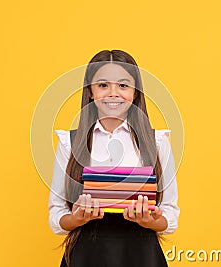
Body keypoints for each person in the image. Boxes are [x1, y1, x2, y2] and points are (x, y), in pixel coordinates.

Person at [48, 50, 180, 267]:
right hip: (86, 256)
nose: (113, 93)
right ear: (89, 91)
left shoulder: (157, 142)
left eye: (123, 85)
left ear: (135, 92)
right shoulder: (69, 143)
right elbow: (57, 215)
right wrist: (77, 218)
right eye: (102, 85)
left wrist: (152, 221)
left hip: (142, 256)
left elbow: (170, 214)